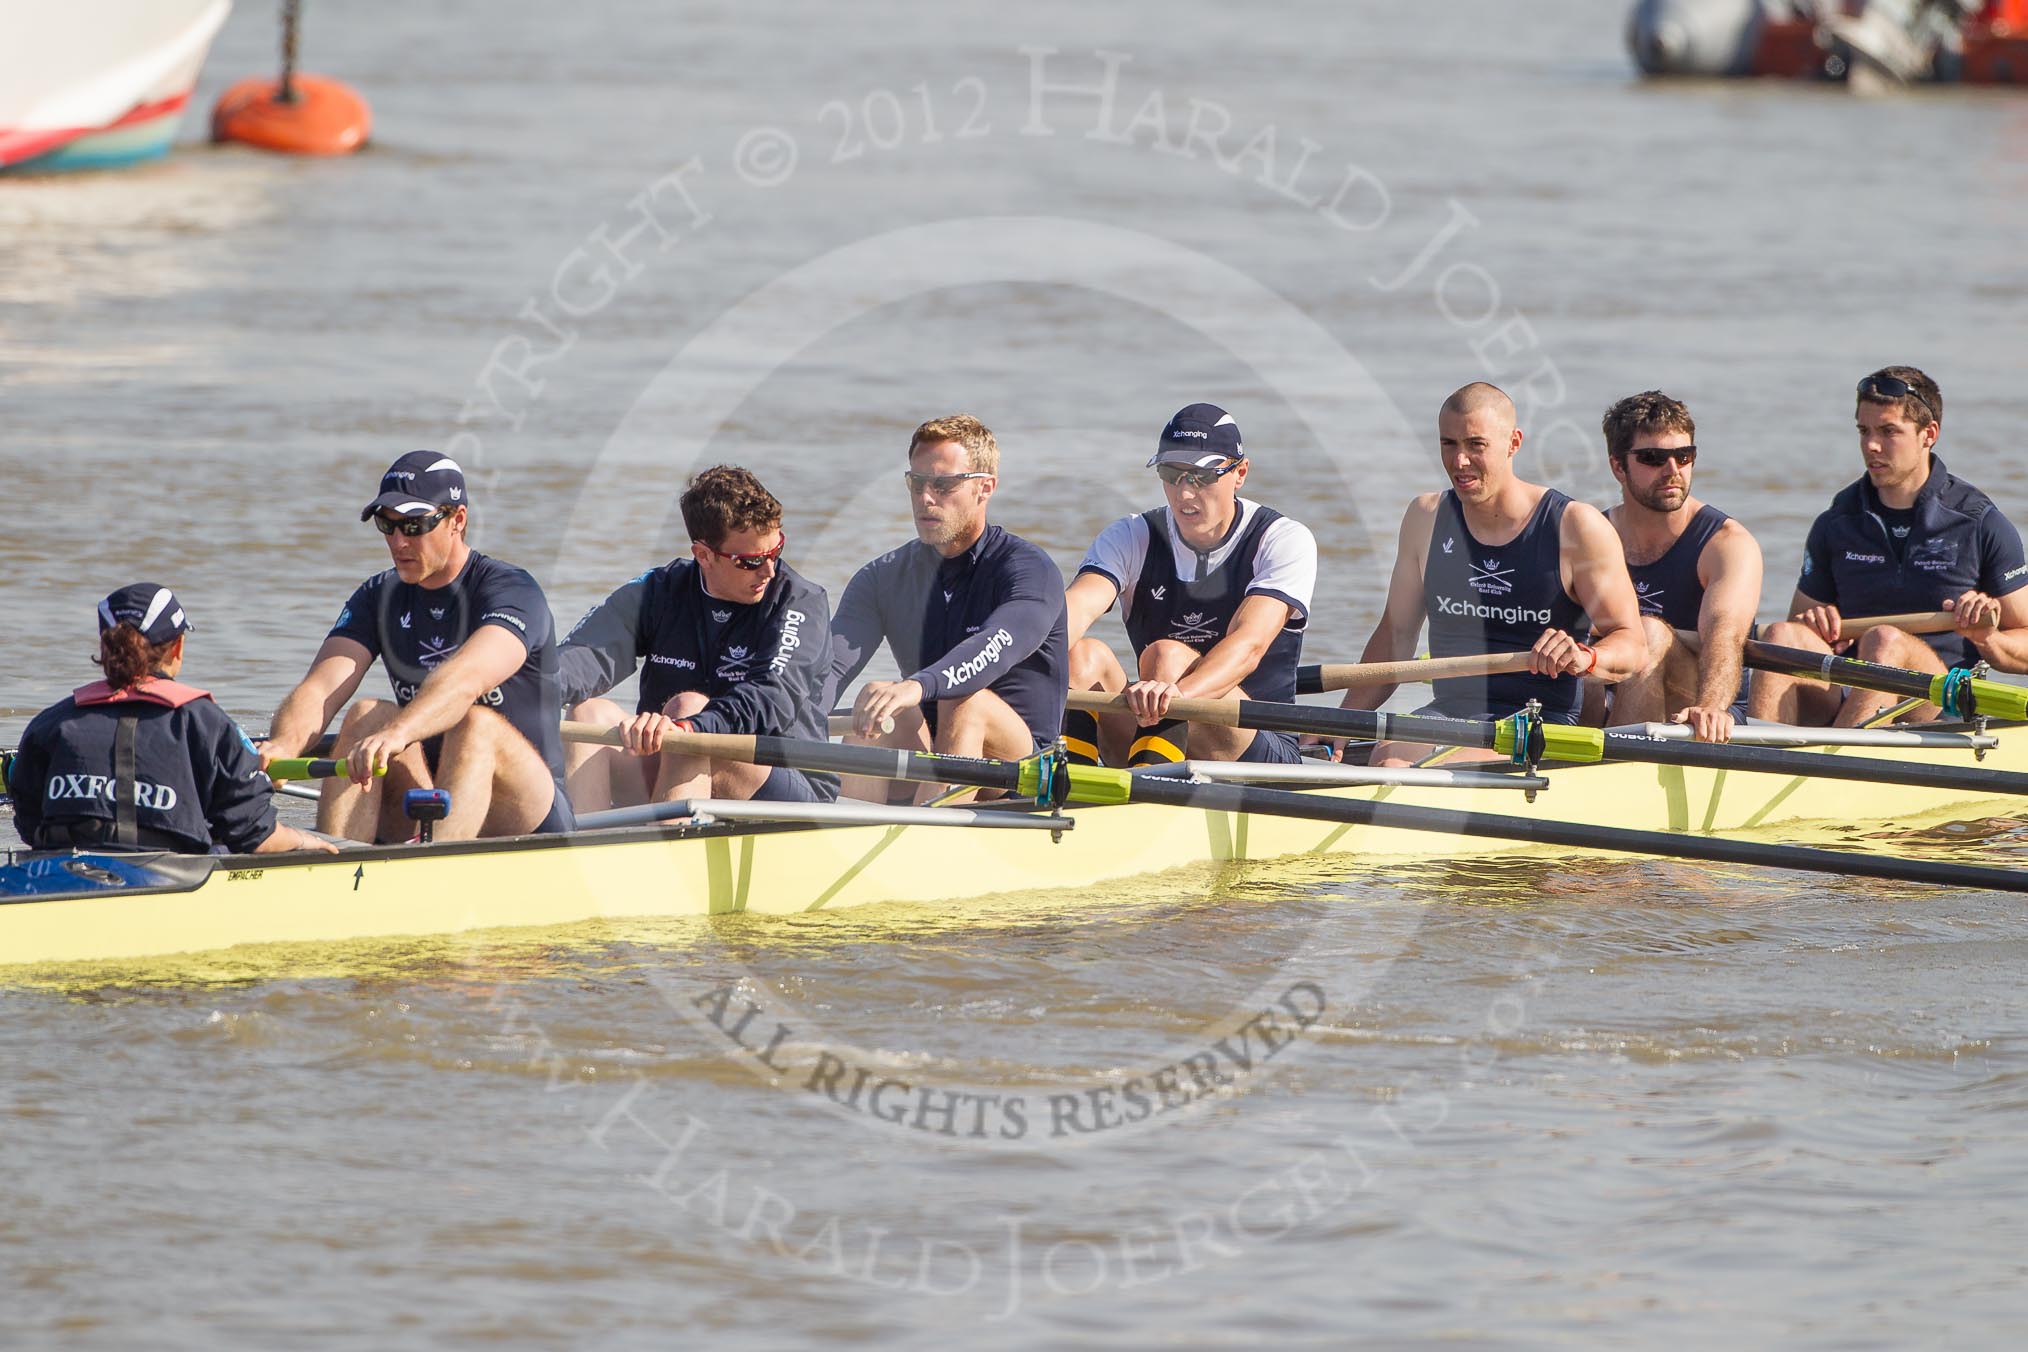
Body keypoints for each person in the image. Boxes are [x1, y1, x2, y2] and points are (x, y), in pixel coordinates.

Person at [261, 451, 573, 842]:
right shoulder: (378, 595)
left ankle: (434, 872)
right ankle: (337, 867)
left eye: (413, 525)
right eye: (385, 525)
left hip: (529, 812)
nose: (397, 541)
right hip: (433, 796)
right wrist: (282, 747)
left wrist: (399, 733)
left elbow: (466, 681)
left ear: (457, 520)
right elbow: (321, 688)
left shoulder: (512, 591)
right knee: (366, 715)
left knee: (476, 724)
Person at [1336, 382, 1646, 765]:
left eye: (1475, 445)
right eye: (1449, 444)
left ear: (1514, 442)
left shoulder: (1575, 526)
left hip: (1538, 720)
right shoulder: (1425, 518)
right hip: (1449, 711)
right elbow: (1396, 637)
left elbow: (1632, 644)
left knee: (1418, 773)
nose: (1460, 462)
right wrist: (1344, 720)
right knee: (1388, 762)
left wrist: (1586, 657)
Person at [1748, 366, 2028, 726]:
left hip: (1939, 699)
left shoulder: (1979, 523)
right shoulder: (1837, 522)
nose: (1871, 446)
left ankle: (1831, 764)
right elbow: (1799, 631)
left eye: (1888, 431)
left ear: (1929, 434)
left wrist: (1988, 638)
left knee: (1884, 641)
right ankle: (1759, 756)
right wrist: (1814, 625)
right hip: (1852, 688)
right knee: (1780, 636)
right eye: (1864, 431)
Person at [559, 465, 834, 810]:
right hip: (672, 759)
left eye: (775, 551)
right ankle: (579, 853)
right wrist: (516, 690)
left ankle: (668, 853)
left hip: (785, 783)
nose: (769, 570)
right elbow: (583, 655)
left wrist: (690, 727)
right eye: (750, 561)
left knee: (687, 711)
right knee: (588, 713)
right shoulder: (660, 591)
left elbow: (772, 698)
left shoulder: (800, 602)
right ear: (703, 555)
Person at [1062, 403, 1317, 766]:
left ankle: (1147, 796)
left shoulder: (1281, 539)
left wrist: (1175, 695)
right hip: (1156, 726)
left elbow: (1249, 646)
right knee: (1081, 654)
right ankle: (1069, 787)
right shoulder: (1131, 535)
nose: (1184, 493)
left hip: (1257, 747)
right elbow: (1075, 609)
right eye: (1172, 473)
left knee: (1166, 656)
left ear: (1240, 472)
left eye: (1202, 476)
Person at [830, 414, 1068, 800]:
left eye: (943, 484)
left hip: (1025, 773)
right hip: (938, 750)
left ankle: (931, 840)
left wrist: (919, 685)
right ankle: (846, 831)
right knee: (875, 696)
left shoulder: (1030, 571)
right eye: (917, 482)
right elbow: (831, 665)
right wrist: (783, 711)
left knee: (964, 699)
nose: (926, 497)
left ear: (984, 488)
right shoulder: (882, 577)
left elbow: (996, 645)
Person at [8, 584, 333, 855]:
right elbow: (253, 833)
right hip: (172, 878)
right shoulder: (205, 722)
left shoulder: (50, 724)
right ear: (177, 647)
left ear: (104, 647)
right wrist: (308, 841)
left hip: (57, 874)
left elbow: (30, 824)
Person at [1585, 391, 1762, 743]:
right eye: (1653, 458)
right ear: (1618, 466)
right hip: (1613, 692)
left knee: (1648, 634)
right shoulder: (1591, 536)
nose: (1672, 471)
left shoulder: (1726, 545)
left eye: (1684, 456)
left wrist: (1711, 705)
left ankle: (1613, 770)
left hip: (1703, 708)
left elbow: (1724, 636)